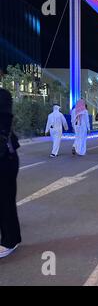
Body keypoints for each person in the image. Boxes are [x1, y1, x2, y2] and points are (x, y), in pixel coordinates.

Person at [0, 89, 22, 258]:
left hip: (5, 157)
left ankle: (10, 240)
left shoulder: (3, 95)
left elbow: (4, 122)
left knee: (5, 200)